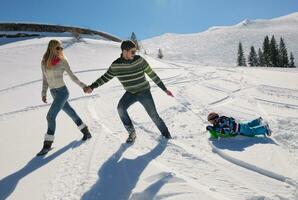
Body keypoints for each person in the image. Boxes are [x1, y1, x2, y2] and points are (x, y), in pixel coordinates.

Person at [84, 40, 173, 143]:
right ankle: (132, 133)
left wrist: (164, 89)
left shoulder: (139, 60)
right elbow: (105, 78)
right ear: (124, 51)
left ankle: (167, 135)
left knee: (154, 115)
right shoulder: (116, 65)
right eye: (132, 52)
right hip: (130, 93)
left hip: (144, 92)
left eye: (135, 51)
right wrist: (92, 86)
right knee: (121, 108)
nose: (134, 54)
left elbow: (152, 75)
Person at [37, 40, 92, 156]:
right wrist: (43, 93)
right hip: (54, 93)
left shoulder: (62, 61)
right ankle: (86, 132)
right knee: (71, 113)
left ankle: (47, 144)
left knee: (50, 116)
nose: (61, 50)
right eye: (58, 48)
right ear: (51, 48)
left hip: (62, 92)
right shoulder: (44, 62)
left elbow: (72, 77)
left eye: (61, 48)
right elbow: (45, 79)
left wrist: (83, 86)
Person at [206, 112, 272, 139]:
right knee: (248, 125)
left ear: (215, 119)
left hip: (239, 129)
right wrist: (213, 127)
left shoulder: (221, 123)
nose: (211, 123)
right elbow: (230, 119)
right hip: (239, 125)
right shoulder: (222, 119)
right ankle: (257, 121)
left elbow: (226, 131)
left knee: (251, 132)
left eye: (211, 121)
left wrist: (215, 129)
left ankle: (264, 128)